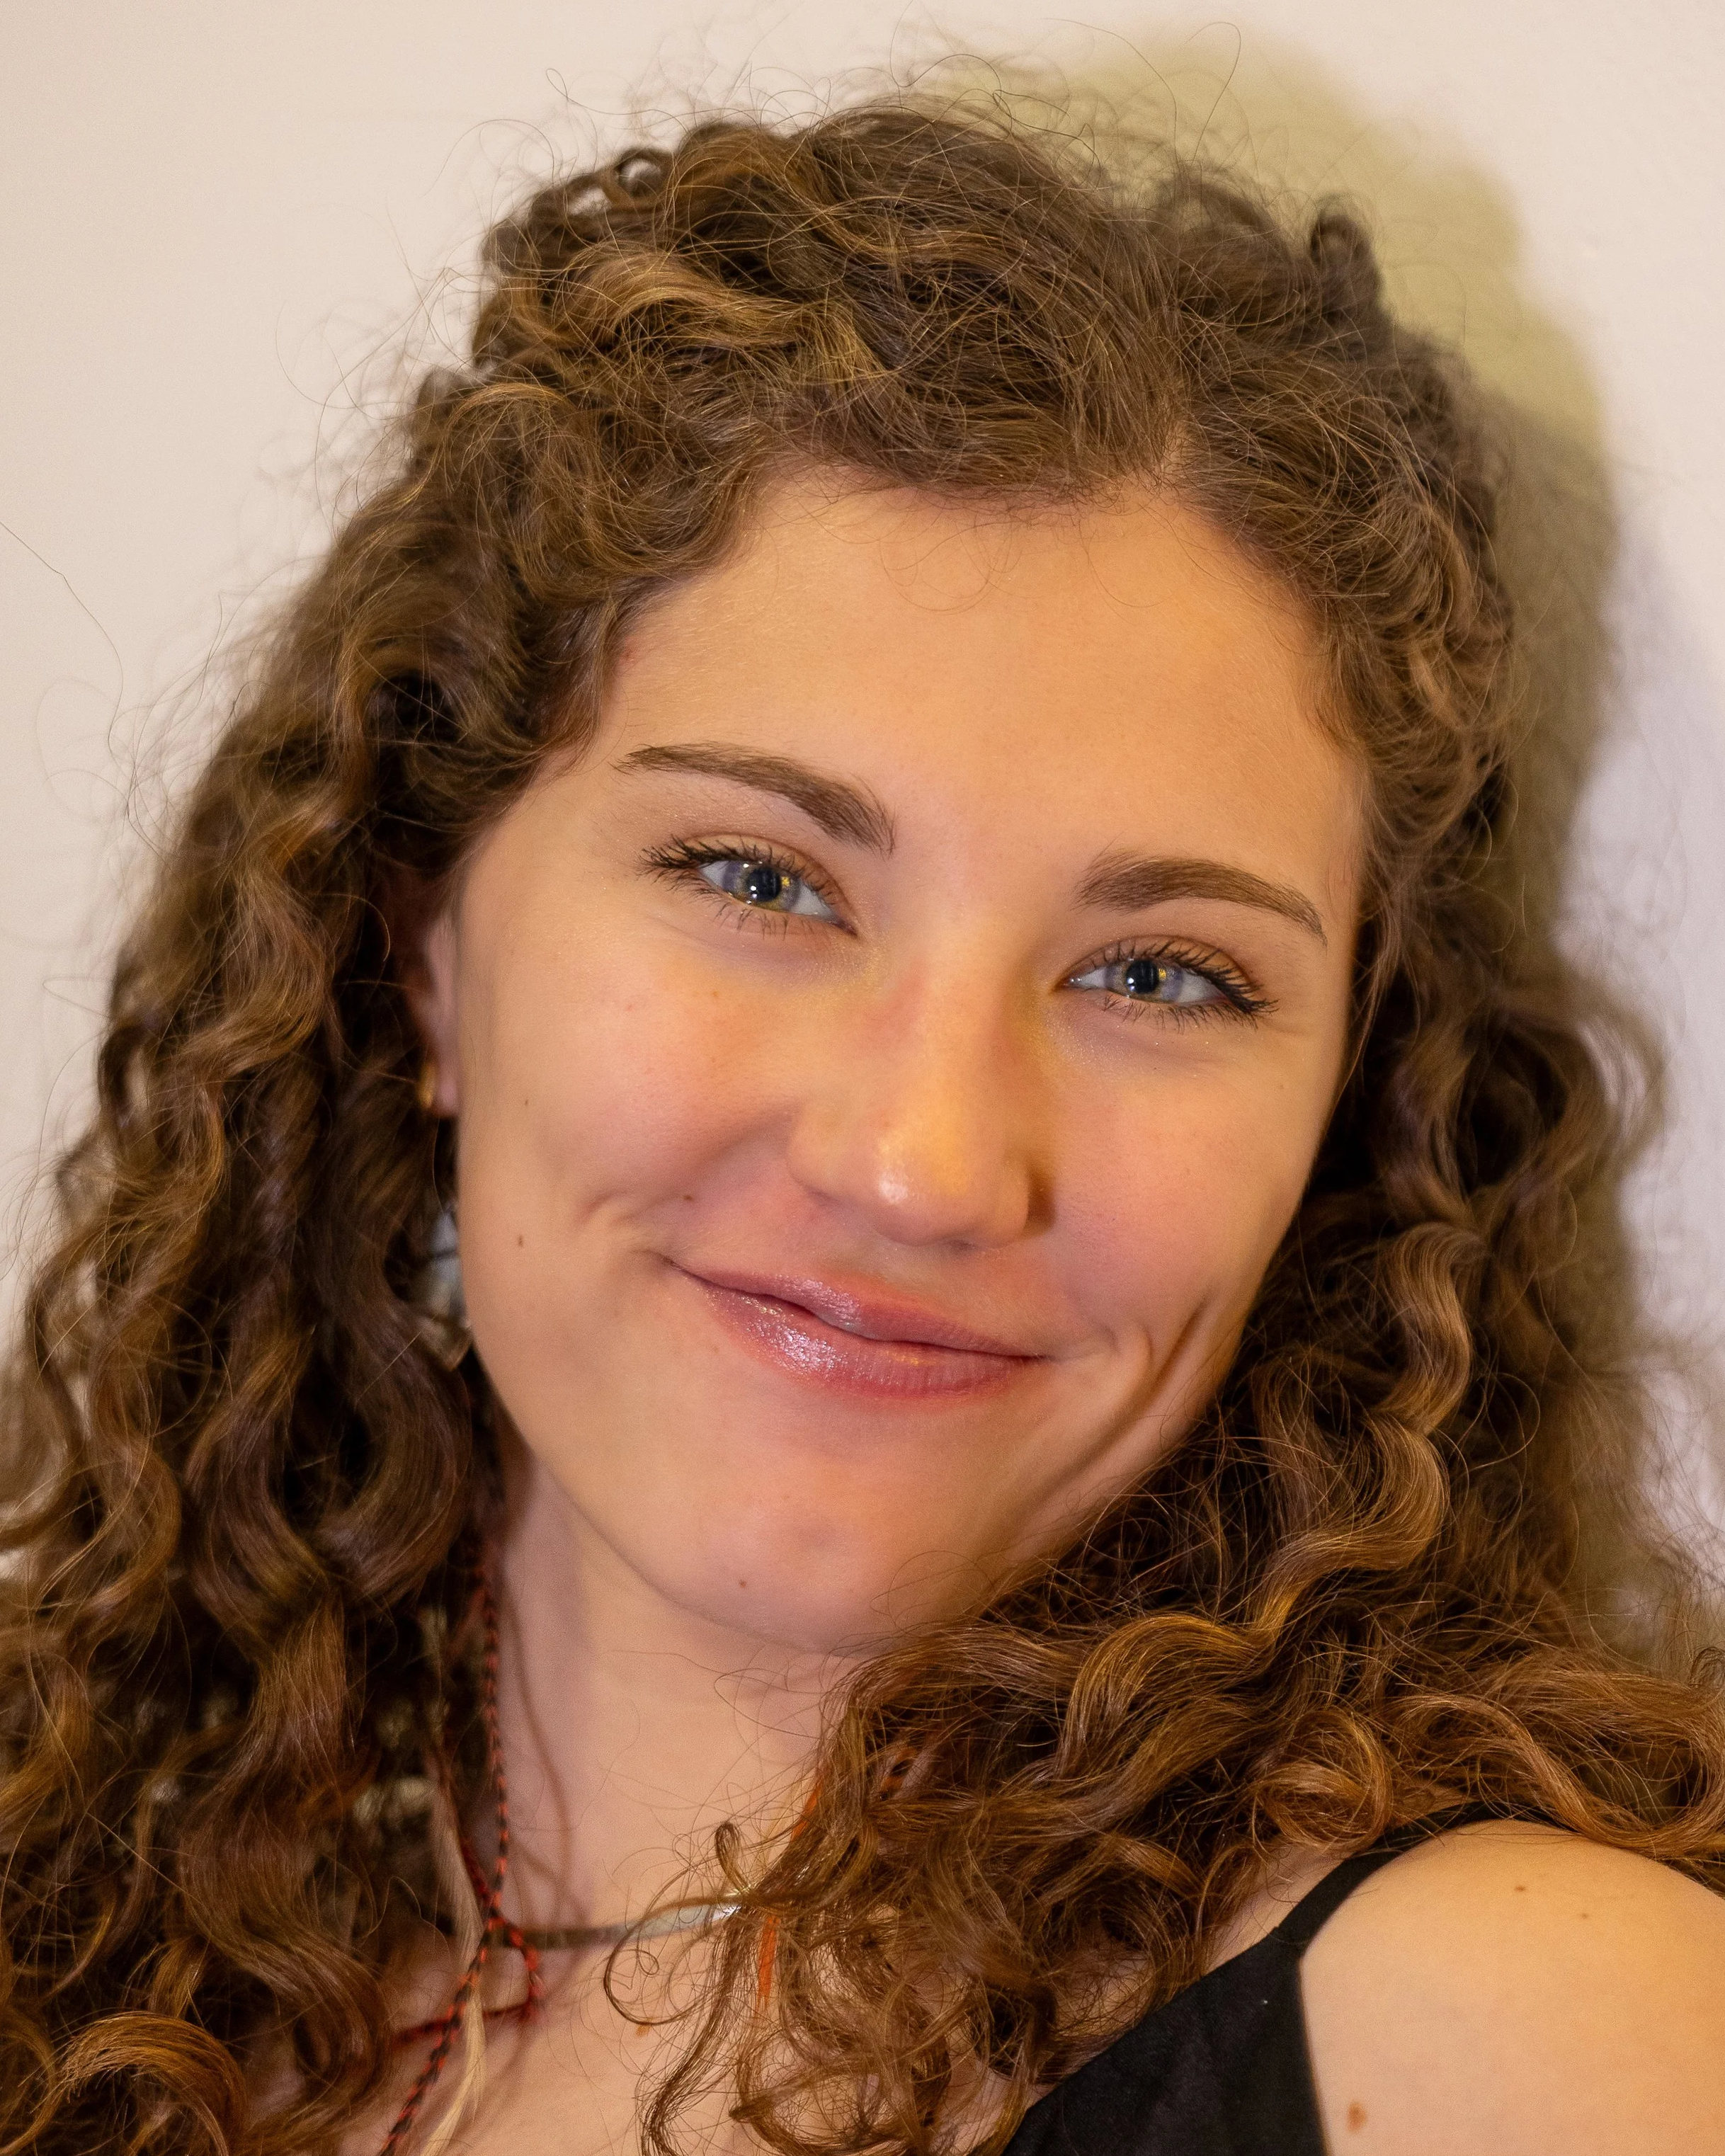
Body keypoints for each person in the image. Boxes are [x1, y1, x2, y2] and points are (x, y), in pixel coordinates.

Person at [2, 95, 1722, 2156]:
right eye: (759, 879)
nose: (920, 1159)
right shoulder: (78, 1936)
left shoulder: (1516, 2050)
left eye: (1159, 974)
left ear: (1340, 1115)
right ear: (421, 941)